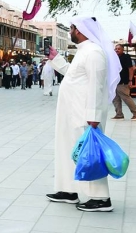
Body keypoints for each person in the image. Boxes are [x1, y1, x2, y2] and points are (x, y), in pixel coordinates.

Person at [46, 17, 119, 212]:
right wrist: (56, 59)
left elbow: (97, 84)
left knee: (89, 154)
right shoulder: (83, 52)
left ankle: (101, 198)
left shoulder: (94, 52)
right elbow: (73, 75)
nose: (70, 32)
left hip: (84, 114)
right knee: (68, 150)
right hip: (70, 112)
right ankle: (69, 190)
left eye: (71, 28)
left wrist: (93, 115)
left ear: (79, 30)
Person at [111, 45, 136, 121]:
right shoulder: (115, 58)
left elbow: (130, 69)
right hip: (115, 81)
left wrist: (130, 80)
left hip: (123, 81)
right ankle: (119, 114)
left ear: (122, 50)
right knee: (115, 98)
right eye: (116, 49)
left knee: (126, 97)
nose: (117, 50)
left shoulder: (126, 57)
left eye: (119, 49)